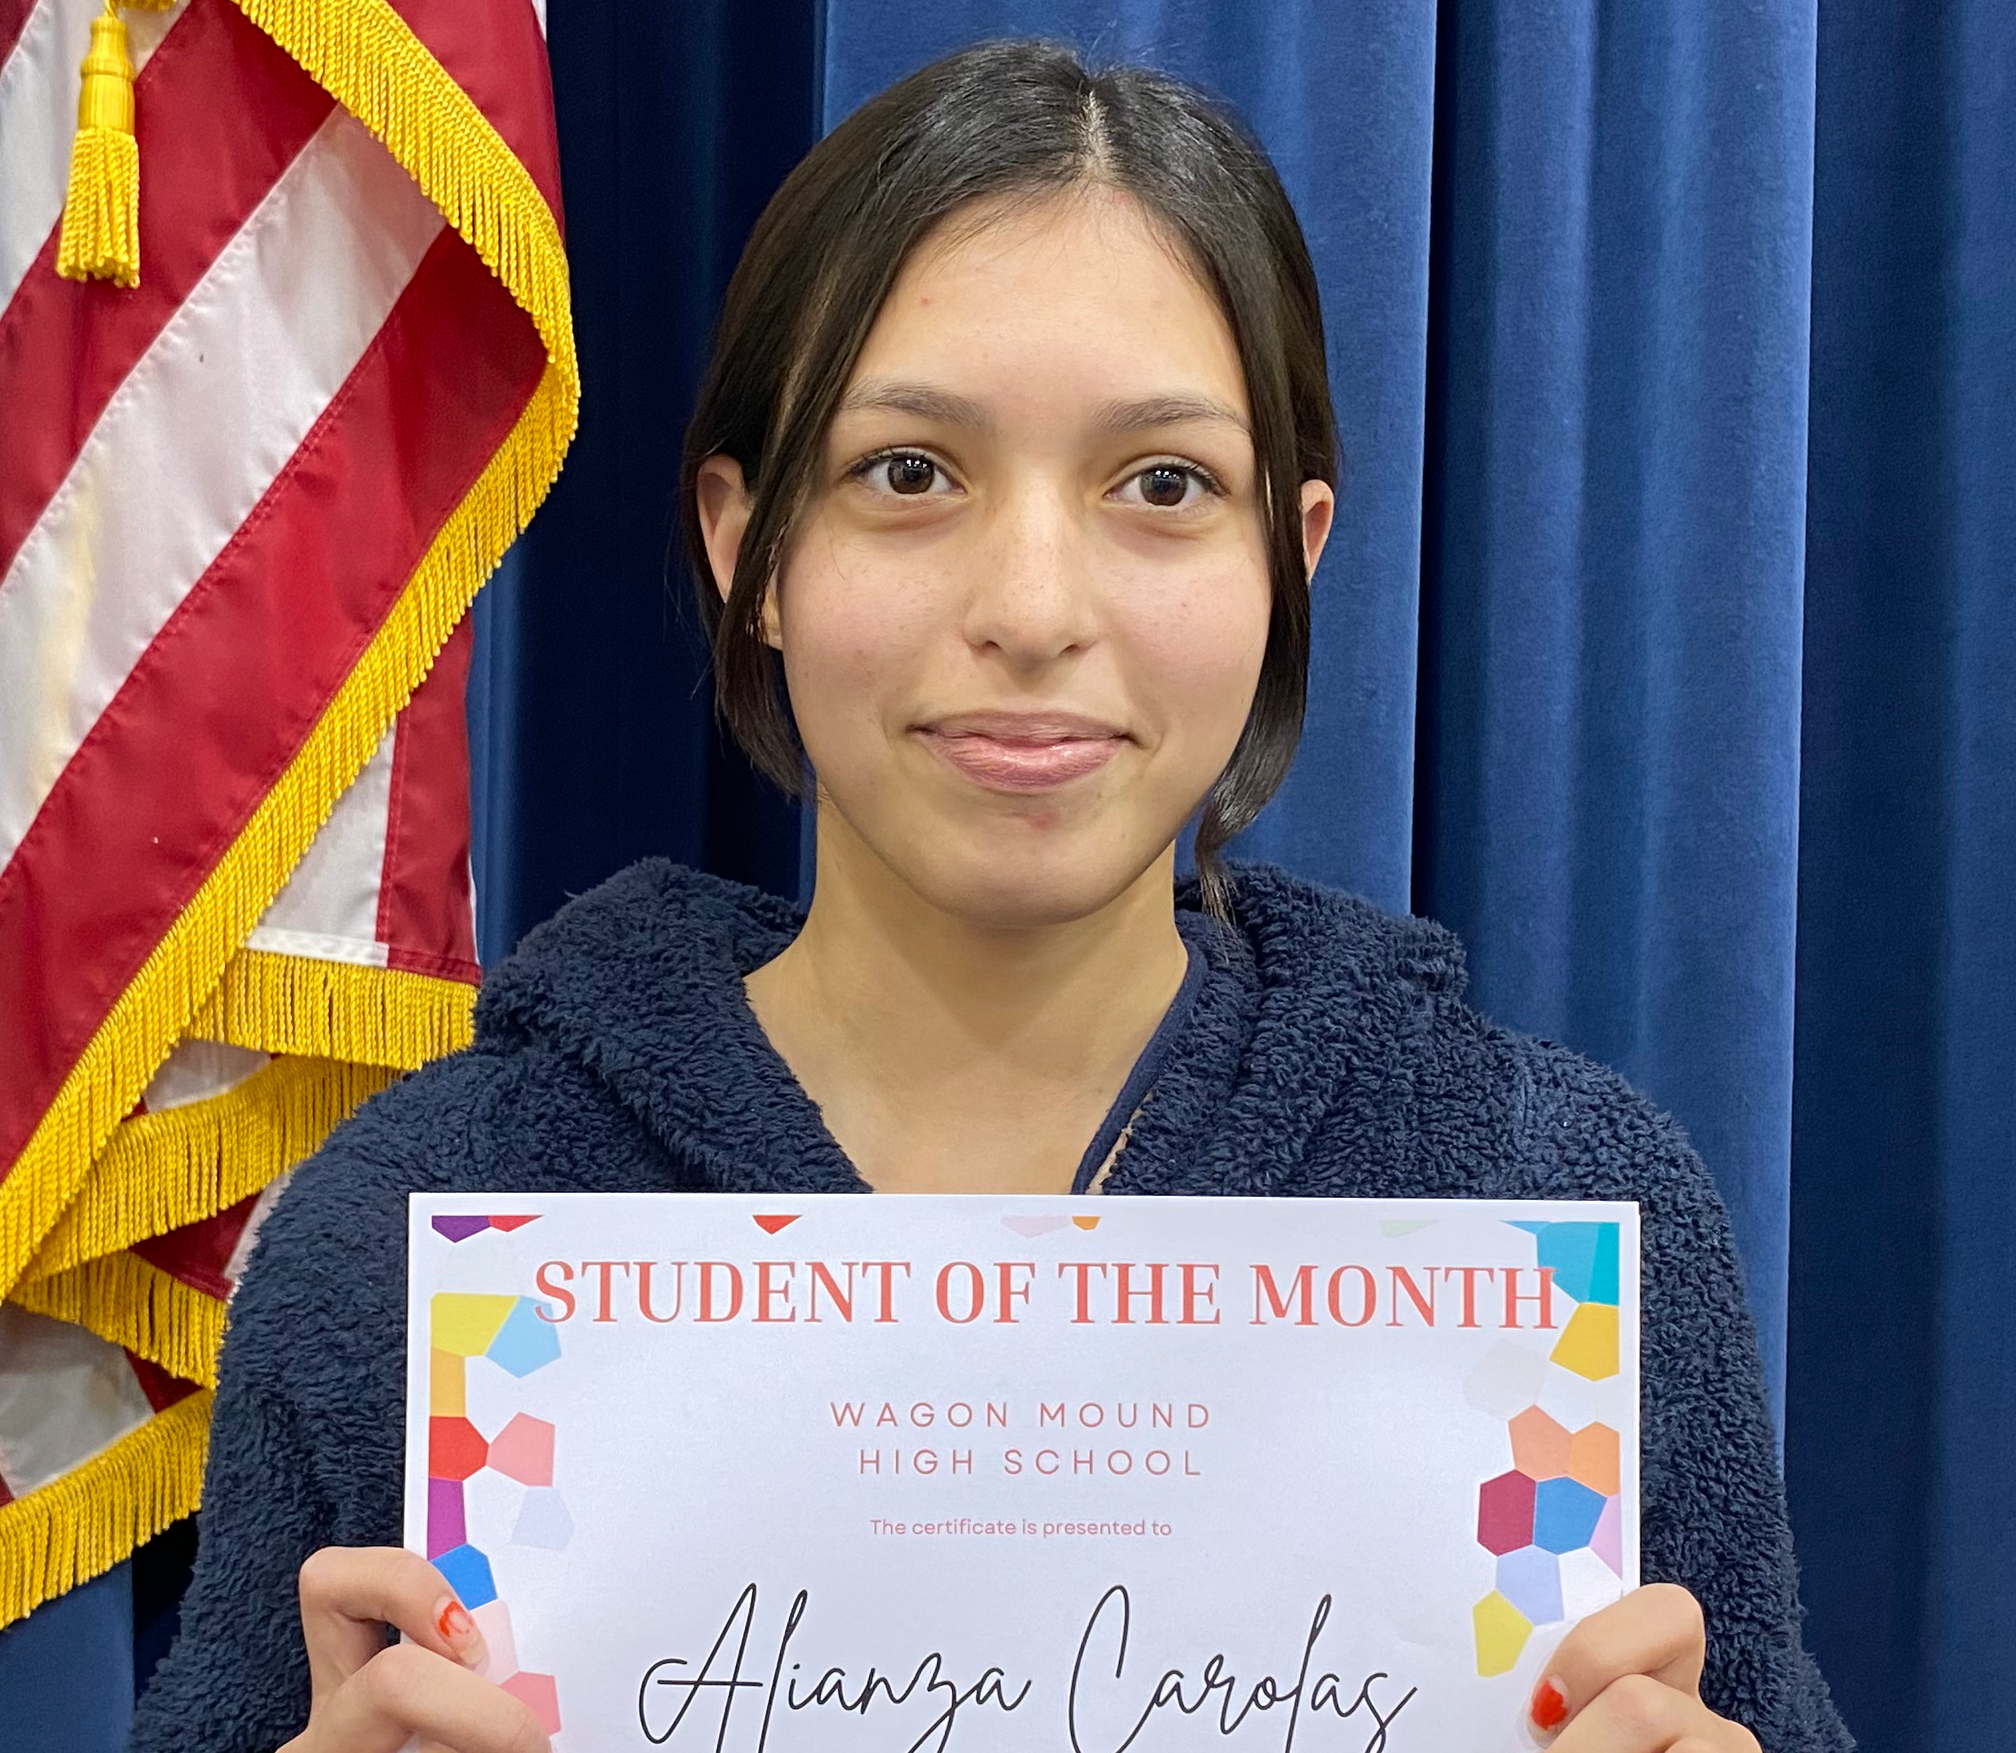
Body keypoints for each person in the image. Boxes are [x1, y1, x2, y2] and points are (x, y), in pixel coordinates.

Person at [130, 39, 1849, 1753]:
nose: (1033, 607)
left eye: (1164, 487)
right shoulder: (422, 1229)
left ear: (1292, 559)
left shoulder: (1552, 1205)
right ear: (750, 548)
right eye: (909, 474)